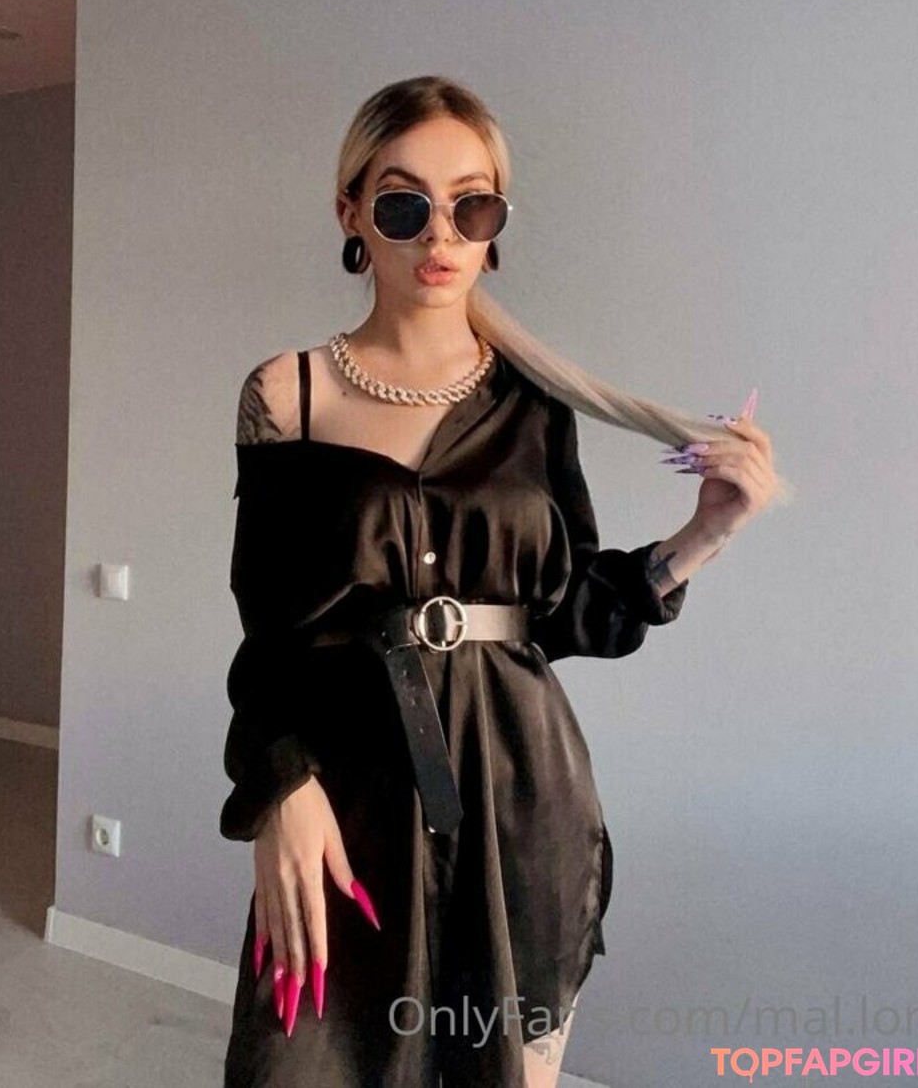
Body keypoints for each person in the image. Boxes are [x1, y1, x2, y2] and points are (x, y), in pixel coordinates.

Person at [220, 75, 786, 1087]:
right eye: (405, 204)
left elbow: (565, 611)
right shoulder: (285, 395)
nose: (441, 235)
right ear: (352, 213)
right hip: (346, 801)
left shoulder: (535, 409)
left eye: (471, 206)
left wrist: (706, 532)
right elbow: (270, 633)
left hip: (524, 802)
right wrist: (280, 787)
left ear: (495, 225)